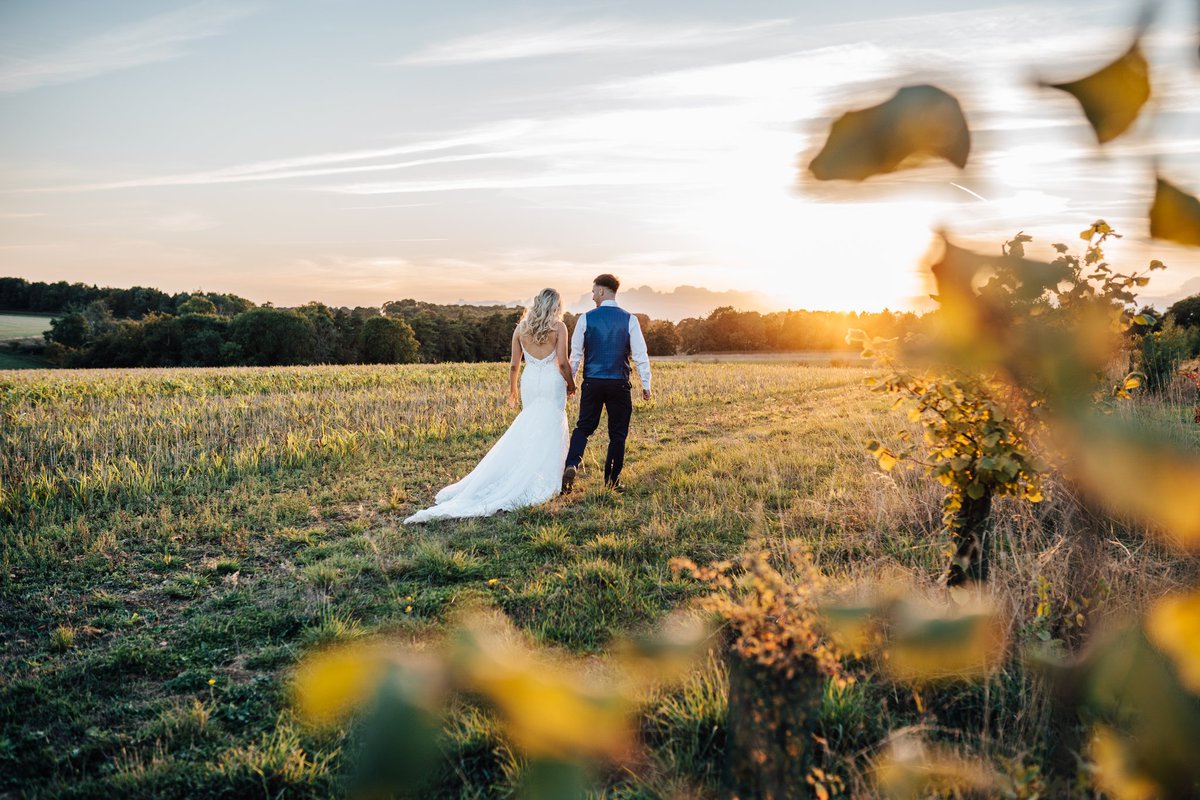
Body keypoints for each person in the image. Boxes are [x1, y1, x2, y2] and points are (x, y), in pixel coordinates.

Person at [404, 288, 576, 523]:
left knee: (529, 424)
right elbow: (564, 363)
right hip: (550, 380)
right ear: (556, 306)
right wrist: (571, 384)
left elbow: (514, 366)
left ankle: (523, 467)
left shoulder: (521, 328)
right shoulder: (559, 328)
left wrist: (512, 390)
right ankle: (543, 475)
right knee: (551, 424)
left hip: (530, 383)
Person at [562, 273, 652, 493]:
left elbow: (575, 356)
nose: (592, 296)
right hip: (619, 384)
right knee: (618, 434)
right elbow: (641, 355)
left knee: (584, 427)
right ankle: (611, 481)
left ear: (602, 291)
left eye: (593, 291)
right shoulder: (630, 319)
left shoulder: (585, 318)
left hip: (592, 382)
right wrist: (646, 384)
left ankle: (572, 464)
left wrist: (571, 383)